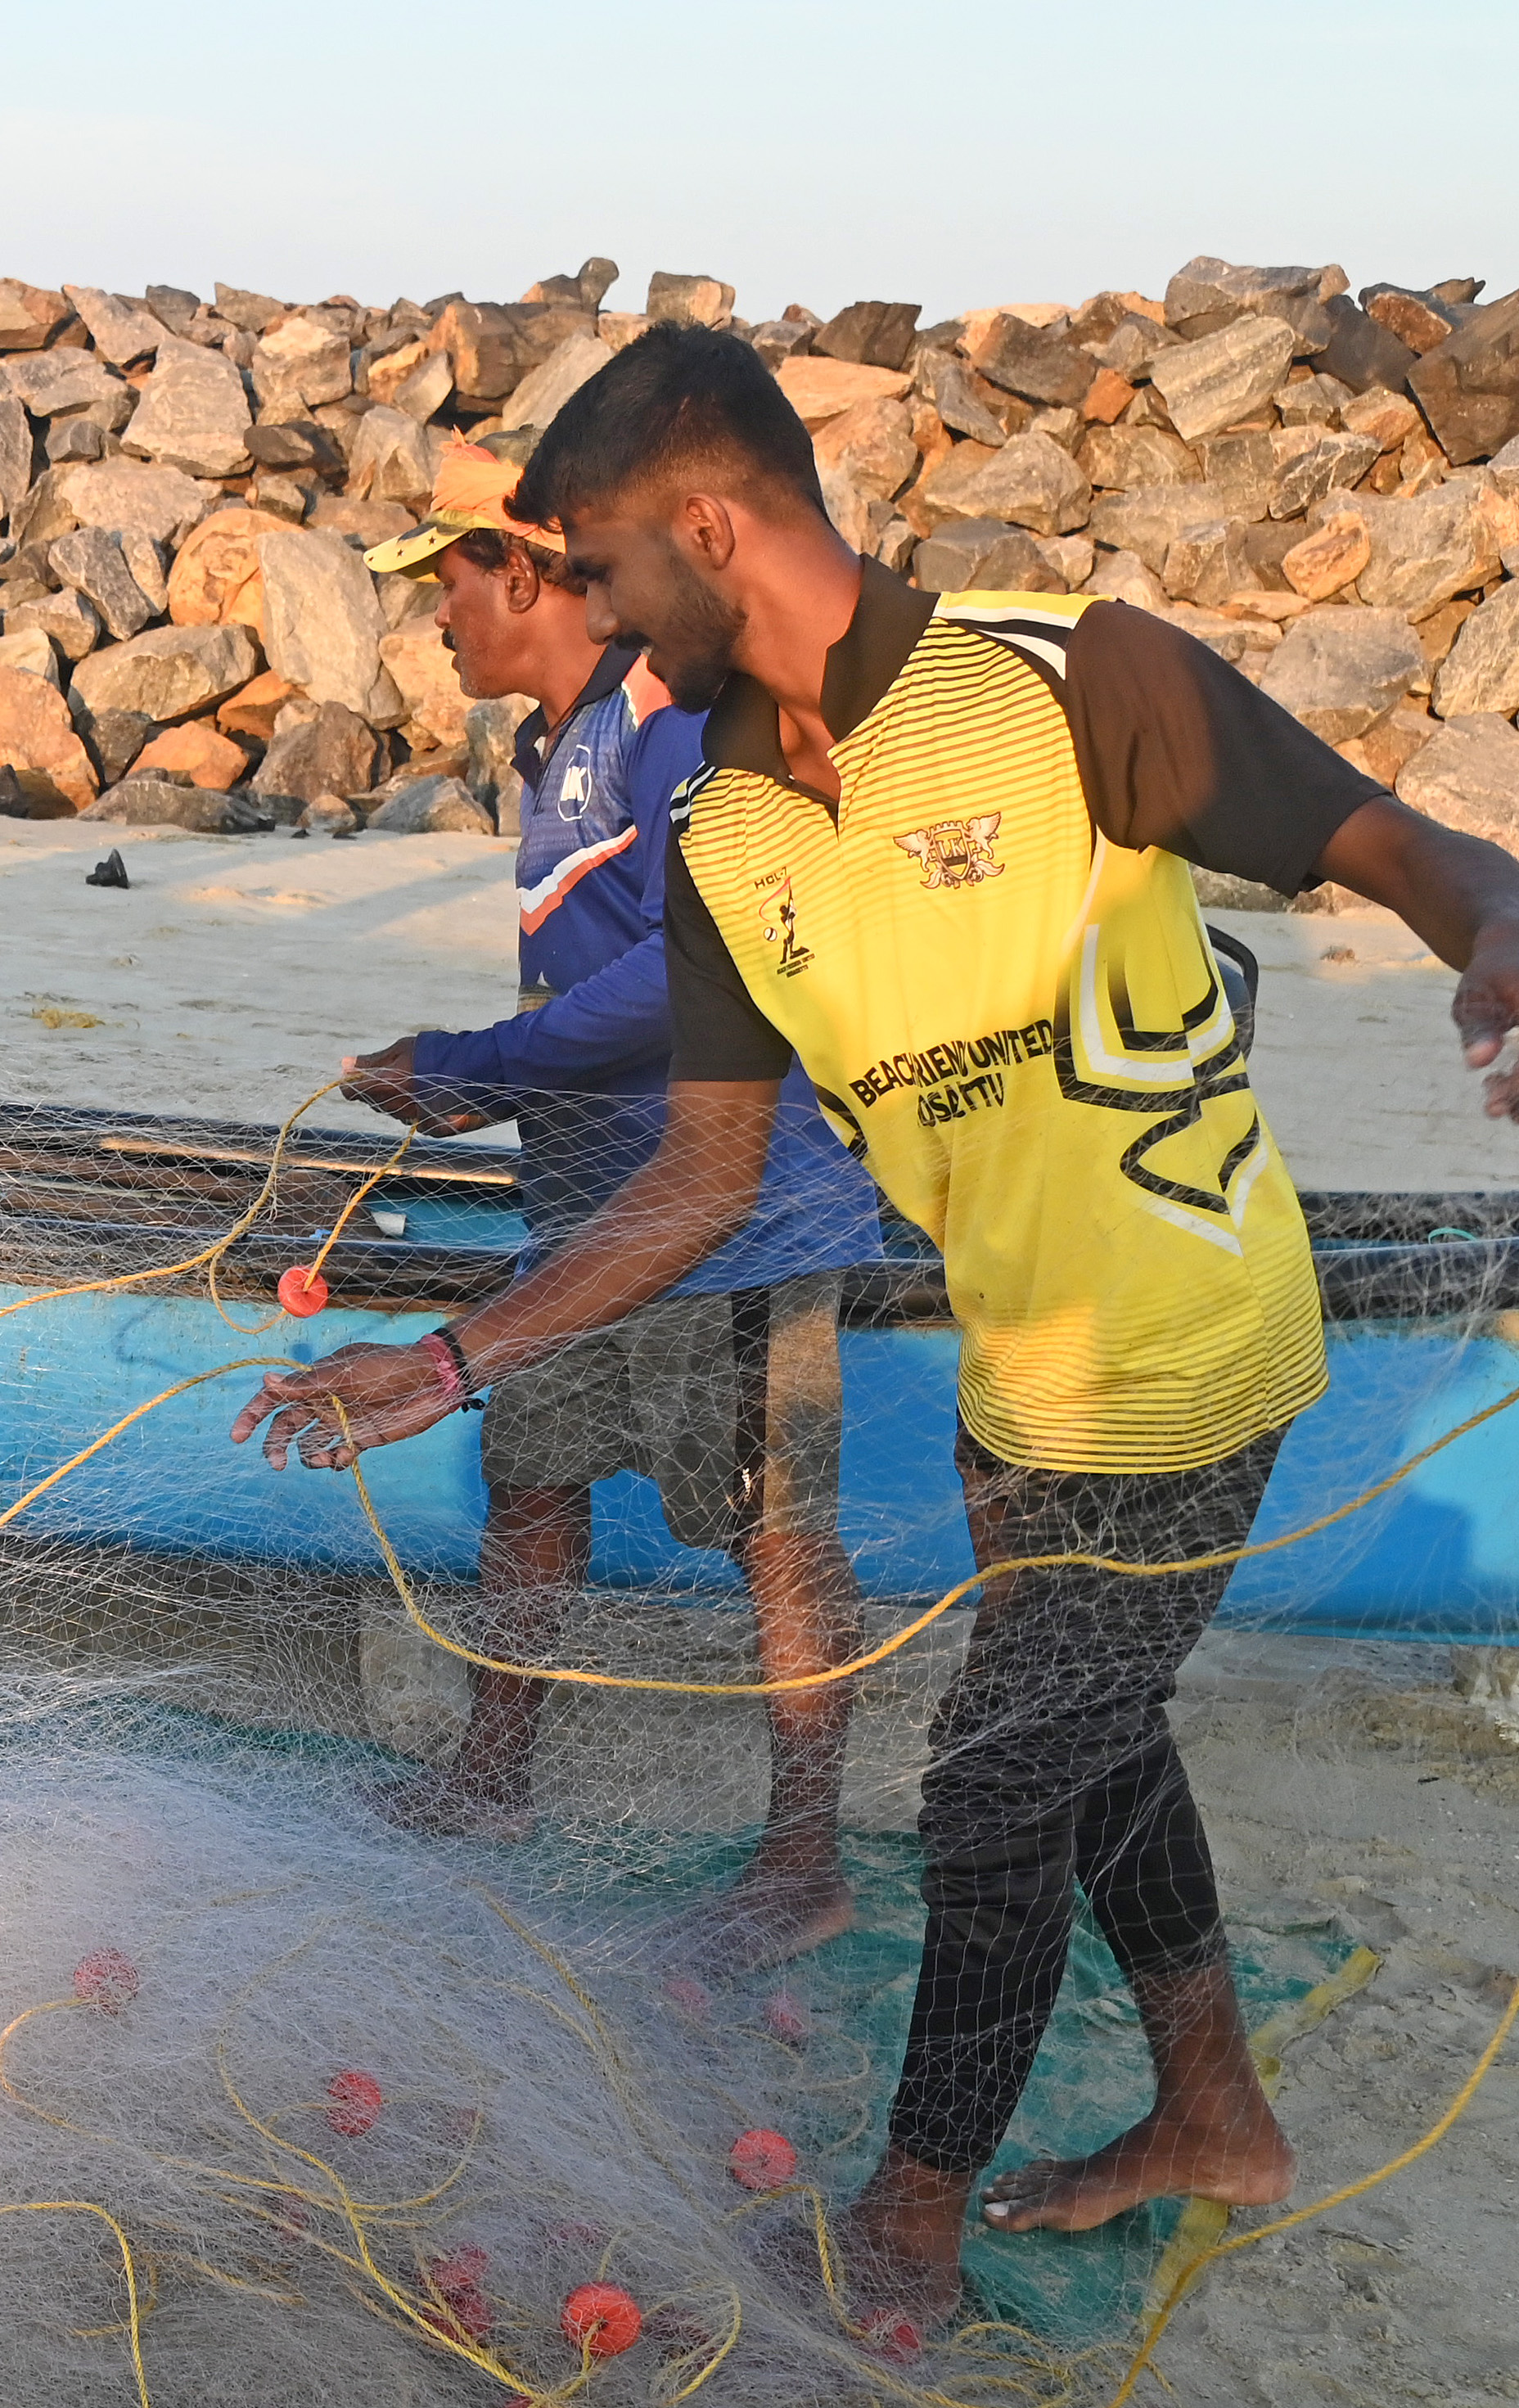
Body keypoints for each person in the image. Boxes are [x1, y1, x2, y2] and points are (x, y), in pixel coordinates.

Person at [238, 326, 1519, 2317]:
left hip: (1192, 1347)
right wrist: (442, 1362)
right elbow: (703, 1175)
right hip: (1018, 1375)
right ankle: (1209, 2102)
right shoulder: (719, 820)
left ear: (710, 532)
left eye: (614, 572)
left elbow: (1407, 847)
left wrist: (1517, 957)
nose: (605, 625)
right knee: (1089, 1727)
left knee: (987, 1781)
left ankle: (900, 2227)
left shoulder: (1065, 685)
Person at [338, 447, 890, 1967]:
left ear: (520, 571)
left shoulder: (658, 719)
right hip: (588, 1217)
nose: (428, 620)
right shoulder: (553, 745)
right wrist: (474, 1083)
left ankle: (802, 1857)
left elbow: (691, 966)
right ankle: (490, 1777)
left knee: (774, 1528)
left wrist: (478, 1060)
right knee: (531, 1482)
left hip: (734, 1211)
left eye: (439, 585)